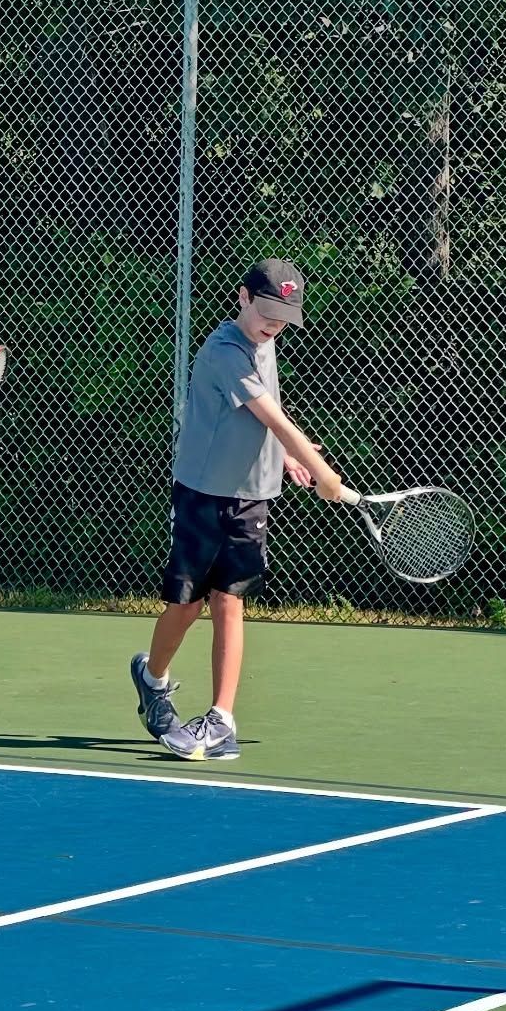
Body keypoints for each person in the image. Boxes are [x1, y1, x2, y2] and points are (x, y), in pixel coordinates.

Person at [131, 260, 342, 760]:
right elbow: (271, 415)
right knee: (185, 606)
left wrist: (288, 456)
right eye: (267, 311)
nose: (274, 324)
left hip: (253, 497)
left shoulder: (265, 343)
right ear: (243, 297)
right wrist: (323, 470)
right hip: (204, 493)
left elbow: (269, 415)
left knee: (230, 602)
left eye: (284, 316)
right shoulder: (225, 350)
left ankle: (221, 719)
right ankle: (152, 677)